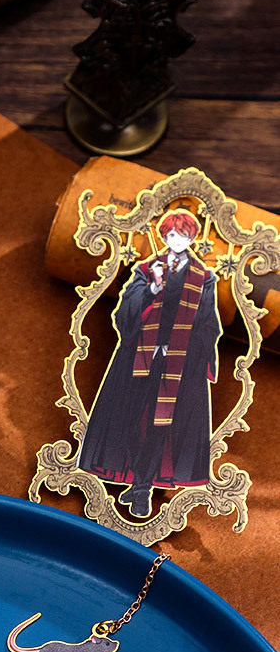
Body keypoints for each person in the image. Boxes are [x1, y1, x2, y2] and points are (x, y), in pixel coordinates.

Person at [78, 211, 221, 518]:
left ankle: (141, 490)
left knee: (161, 424)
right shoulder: (146, 270)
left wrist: (198, 356)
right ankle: (140, 483)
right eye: (172, 235)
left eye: (184, 235)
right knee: (130, 418)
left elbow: (208, 322)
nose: (177, 240)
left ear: (192, 238)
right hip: (140, 355)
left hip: (180, 362)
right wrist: (152, 289)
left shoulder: (204, 278)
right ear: (164, 236)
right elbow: (124, 312)